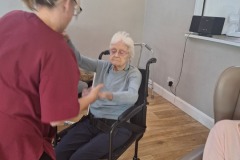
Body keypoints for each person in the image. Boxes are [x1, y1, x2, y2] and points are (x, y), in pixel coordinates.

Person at [0, 0, 103, 160]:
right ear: (67, 3)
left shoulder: (11, 18)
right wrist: (90, 97)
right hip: (21, 143)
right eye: (76, 9)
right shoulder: (58, 51)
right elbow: (57, 118)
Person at [55, 31, 142, 160]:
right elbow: (79, 60)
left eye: (121, 52)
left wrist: (106, 95)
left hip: (117, 127)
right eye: (113, 50)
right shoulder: (103, 66)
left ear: (129, 54)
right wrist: (67, 41)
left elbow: (132, 96)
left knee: (77, 158)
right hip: (92, 122)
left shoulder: (133, 74)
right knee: (57, 154)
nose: (116, 55)